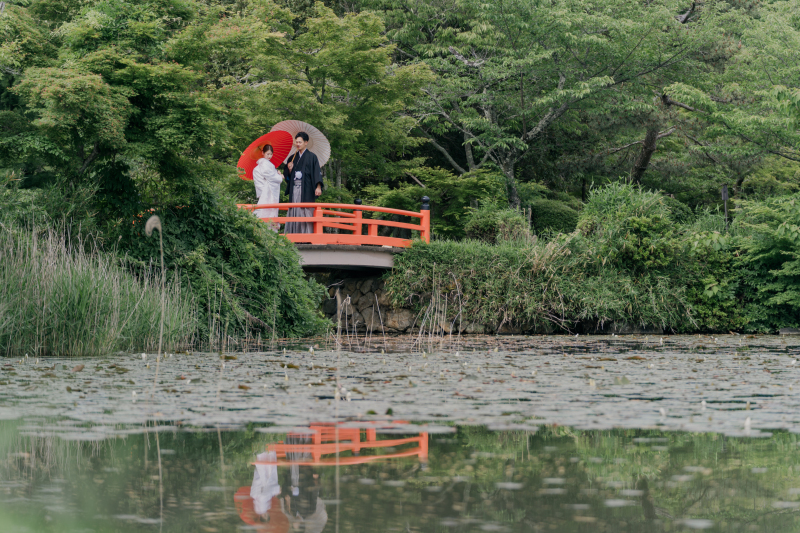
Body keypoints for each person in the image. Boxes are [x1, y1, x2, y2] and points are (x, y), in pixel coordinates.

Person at [283, 132, 323, 234]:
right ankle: (293, 234)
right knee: (295, 210)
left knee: (305, 210)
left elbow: (317, 173)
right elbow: (287, 176)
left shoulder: (312, 157)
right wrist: (289, 169)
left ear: (306, 142)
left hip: (307, 188)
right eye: (296, 142)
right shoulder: (292, 157)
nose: (298, 144)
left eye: (300, 142)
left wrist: (318, 187)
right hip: (295, 188)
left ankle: (306, 237)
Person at [252, 144, 282, 231]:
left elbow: (270, 177)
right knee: (268, 211)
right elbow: (271, 177)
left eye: (271, 154)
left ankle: (262, 230)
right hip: (268, 192)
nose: (269, 156)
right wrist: (280, 177)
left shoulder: (262, 166)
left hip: (265, 192)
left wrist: (277, 173)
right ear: (263, 153)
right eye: (267, 154)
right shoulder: (265, 165)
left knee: (266, 211)